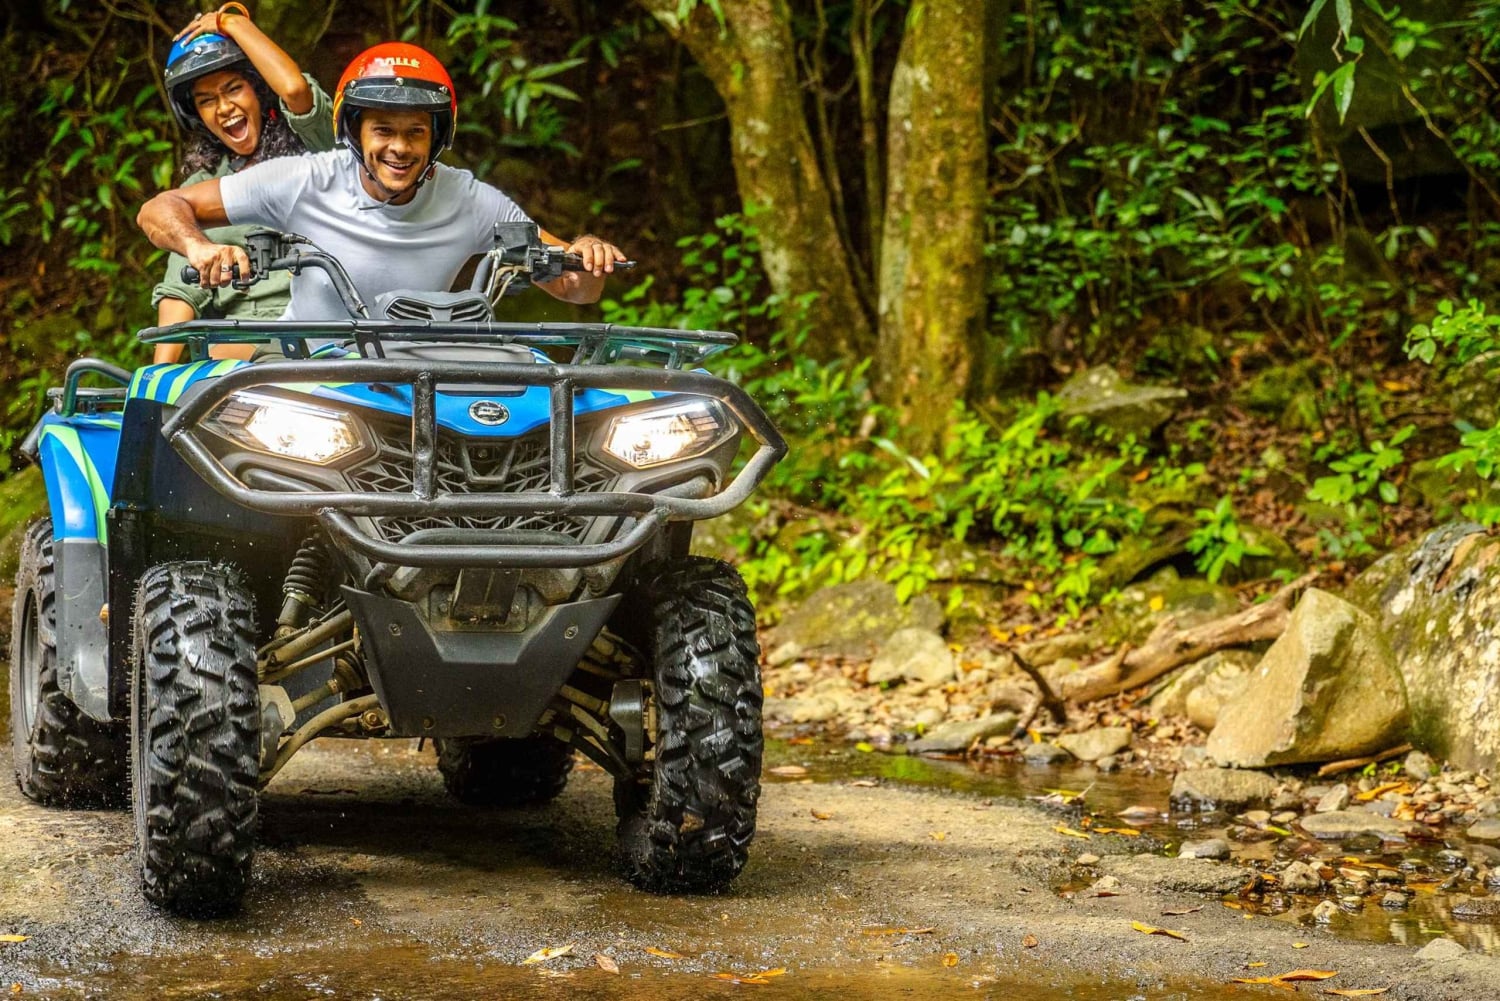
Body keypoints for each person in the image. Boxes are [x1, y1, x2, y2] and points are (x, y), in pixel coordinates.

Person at [136, 42, 624, 331]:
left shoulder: (470, 199)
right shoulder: (305, 179)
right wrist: (197, 248)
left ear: (438, 136)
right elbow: (161, 208)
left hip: (418, 378)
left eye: (416, 132)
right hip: (309, 372)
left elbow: (573, 286)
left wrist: (587, 251)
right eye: (383, 131)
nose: (400, 149)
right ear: (353, 132)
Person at [150, 2, 335, 362]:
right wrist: (158, 380)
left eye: (234, 89)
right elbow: (179, 290)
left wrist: (229, 21)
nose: (223, 108)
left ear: (259, 90)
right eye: (207, 101)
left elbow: (296, 90)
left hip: (325, 335)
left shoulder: (317, 155)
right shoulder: (205, 185)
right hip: (240, 349)